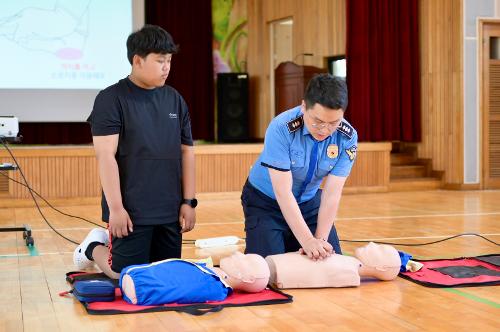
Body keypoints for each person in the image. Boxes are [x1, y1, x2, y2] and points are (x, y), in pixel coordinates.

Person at [73, 25, 197, 279]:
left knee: (166, 276)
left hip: (169, 209)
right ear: (137, 61)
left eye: (169, 61)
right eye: (160, 61)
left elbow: (187, 152)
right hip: (131, 211)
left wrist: (189, 202)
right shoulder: (111, 99)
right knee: (126, 277)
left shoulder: (175, 99)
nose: (167, 68)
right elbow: (105, 157)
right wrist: (116, 209)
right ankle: (92, 248)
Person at [242, 74, 357, 260]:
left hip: (309, 203)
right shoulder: (281, 128)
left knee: (328, 262)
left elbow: (332, 193)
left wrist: (319, 241)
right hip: (266, 203)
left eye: (334, 123)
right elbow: (283, 193)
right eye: (318, 121)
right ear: (304, 107)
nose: (325, 130)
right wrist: (307, 241)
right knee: (269, 269)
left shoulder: (347, 137)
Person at [120, 252, 270, 305]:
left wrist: (143, 289)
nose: (238, 253)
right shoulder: (212, 275)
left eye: (246, 259)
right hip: (136, 276)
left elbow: (182, 290)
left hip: (141, 286)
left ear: (248, 278)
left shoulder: (215, 288)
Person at [265, 242, 401, 289]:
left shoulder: (349, 272)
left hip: (273, 270)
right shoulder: (348, 264)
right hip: (273, 265)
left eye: (380, 249)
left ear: (382, 268)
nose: (372, 244)